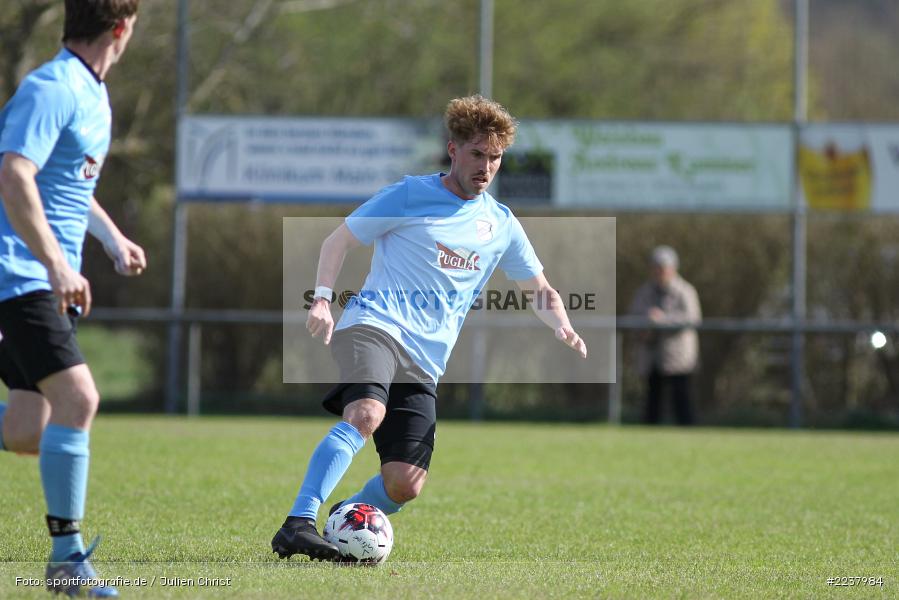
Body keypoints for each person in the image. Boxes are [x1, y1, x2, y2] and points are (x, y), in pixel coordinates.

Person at [272, 95, 588, 561]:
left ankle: (348, 515)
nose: (486, 166)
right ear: (453, 149)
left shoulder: (500, 225)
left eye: (495, 157)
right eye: (477, 154)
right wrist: (321, 299)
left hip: (425, 359)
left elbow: (539, 287)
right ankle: (299, 521)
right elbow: (337, 240)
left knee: (405, 484)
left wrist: (561, 324)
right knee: (365, 414)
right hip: (374, 325)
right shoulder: (409, 194)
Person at [0, 1, 144, 596]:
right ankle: (66, 561)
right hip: (21, 276)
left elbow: (67, 184)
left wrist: (111, 239)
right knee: (79, 398)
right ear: (120, 28)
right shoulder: (52, 86)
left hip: (40, 277)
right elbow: (13, 172)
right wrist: (57, 263)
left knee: (28, 431)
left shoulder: (92, 92)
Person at [628, 245, 701, 426]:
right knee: (653, 400)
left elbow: (692, 319)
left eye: (663, 268)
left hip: (678, 358)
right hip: (652, 357)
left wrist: (661, 320)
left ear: (673, 268)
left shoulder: (685, 291)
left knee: (681, 400)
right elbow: (634, 317)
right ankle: (649, 436)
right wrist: (645, 325)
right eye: (656, 268)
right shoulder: (644, 292)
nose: (659, 272)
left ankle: (688, 435)